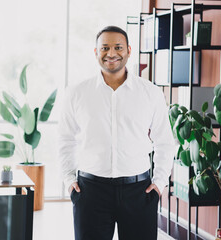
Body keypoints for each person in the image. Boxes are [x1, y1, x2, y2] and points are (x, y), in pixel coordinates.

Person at [58, 26, 176, 240]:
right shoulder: (76, 93)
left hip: (139, 192)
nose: (111, 53)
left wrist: (159, 184)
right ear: (96, 52)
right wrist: (68, 181)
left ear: (129, 50)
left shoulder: (150, 93)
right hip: (90, 191)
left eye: (118, 47)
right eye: (105, 48)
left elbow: (165, 142)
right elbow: (65, 140)